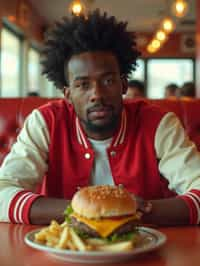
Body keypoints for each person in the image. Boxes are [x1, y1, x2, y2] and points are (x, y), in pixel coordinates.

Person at [0, 10, 199, 226]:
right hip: (61, 254)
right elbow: (3, 192)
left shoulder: (159, 124)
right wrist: (78, 211)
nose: (96, 94)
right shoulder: (45, 122)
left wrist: (132, 212)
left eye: (108, 81)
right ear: (68, 94)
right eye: (83, 84)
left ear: (124, 84)